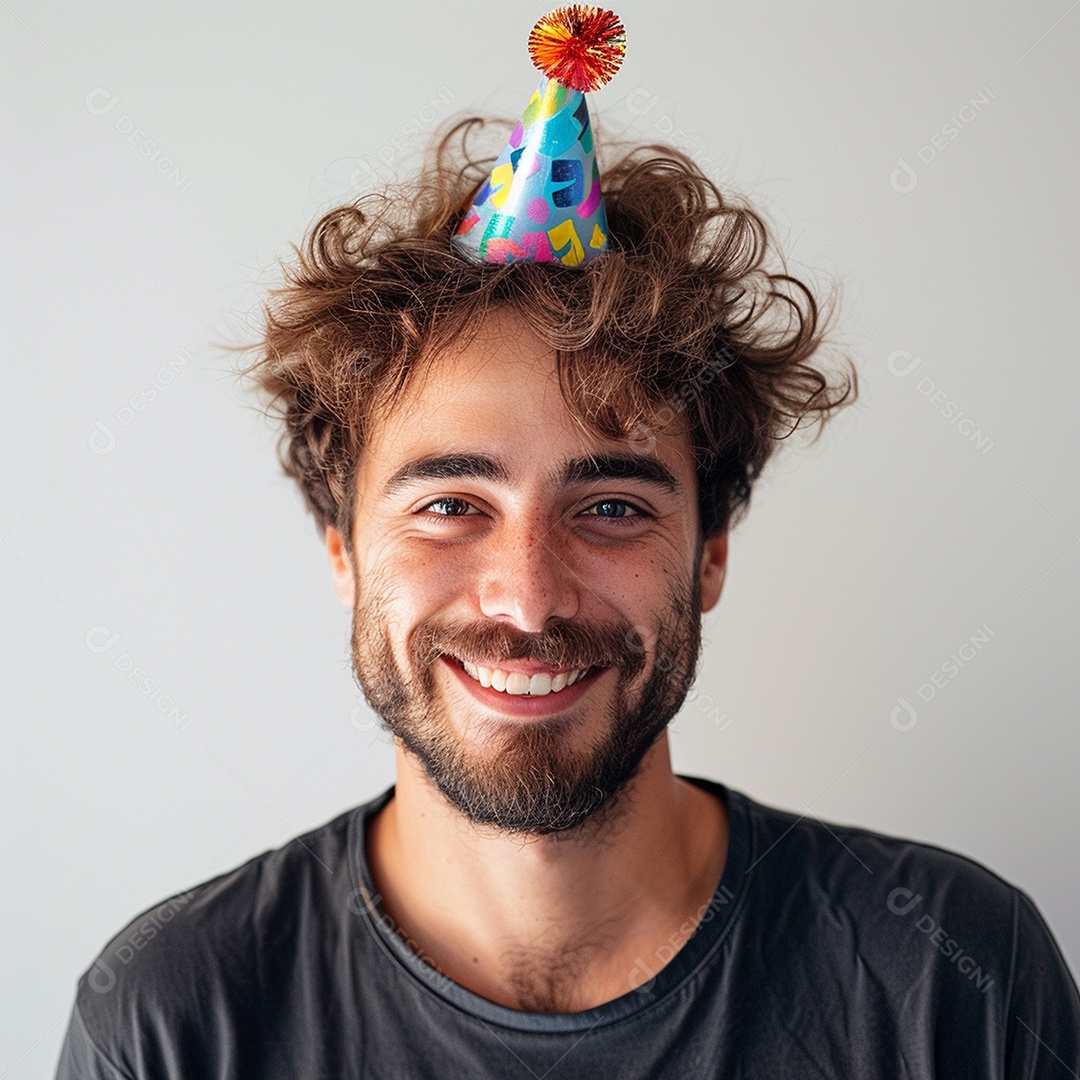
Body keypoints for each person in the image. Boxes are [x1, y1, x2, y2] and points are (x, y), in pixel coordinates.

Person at [56, 10, 1080, 1075]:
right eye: (451, 504)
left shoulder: (954, 976)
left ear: (711, 552)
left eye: (612, 508)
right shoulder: (170, 1020)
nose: (528, 598)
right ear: (343, 550)